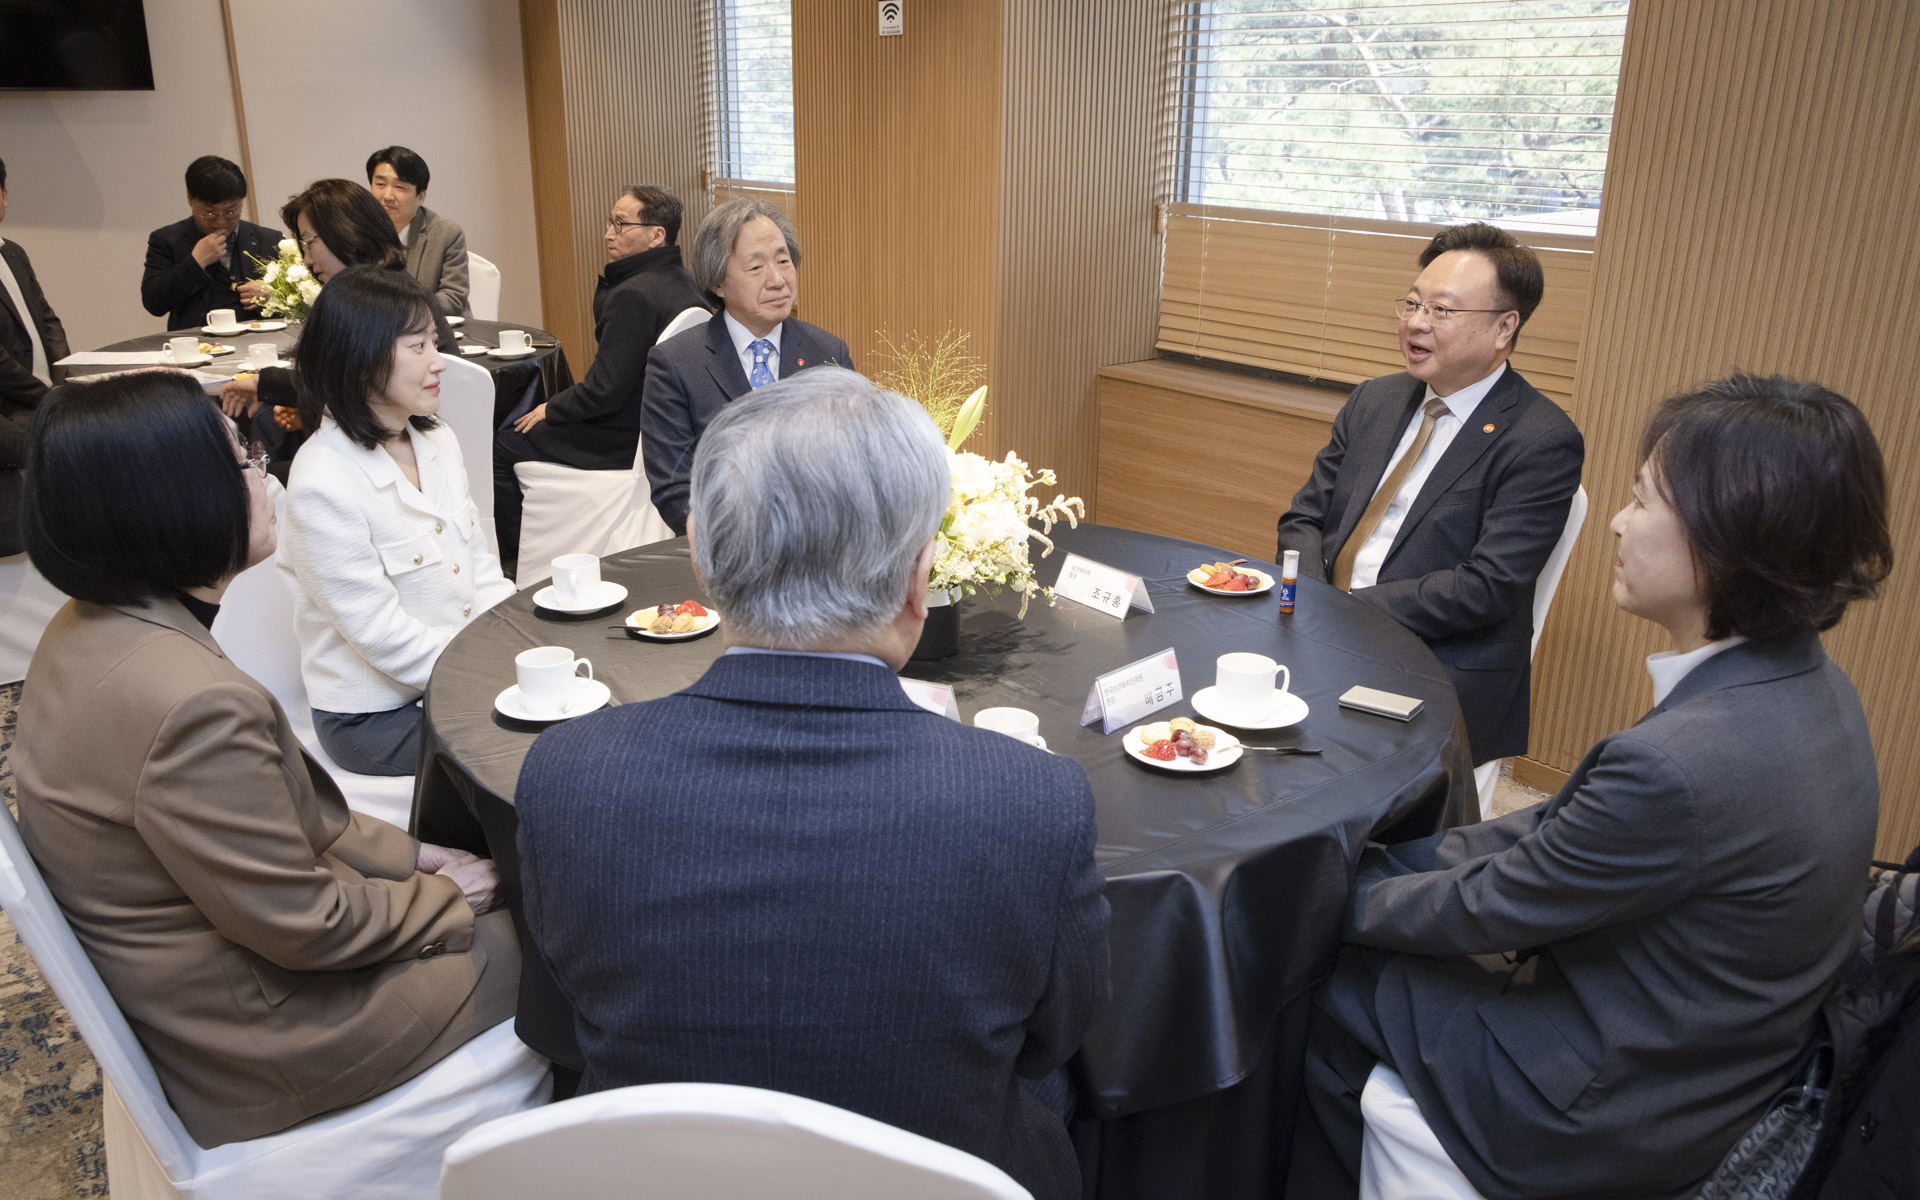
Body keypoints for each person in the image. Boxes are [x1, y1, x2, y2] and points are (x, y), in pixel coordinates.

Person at [1285, 374, 1891, 1199]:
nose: (1615, 520)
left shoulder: (1685, 764)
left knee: (1321, 989)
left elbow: (1492, 906)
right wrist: (1383, 865)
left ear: (1725, 541)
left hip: (1604, 1107)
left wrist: (1315, 905)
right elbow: (1545, 836)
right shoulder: (1812, 691)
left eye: (1643, 501)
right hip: (1714, 1061)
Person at [516, 368, 1109, 1200]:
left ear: (701, 555)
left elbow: (559, 1032)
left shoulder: (569, 776)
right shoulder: (1033, 802)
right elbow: (1053, 1043)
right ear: (918, 578)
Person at [12, 370, 519, 1148]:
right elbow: (309, 927)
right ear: (176, 496)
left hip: (215, 974)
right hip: (276, 1035)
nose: (265, 473)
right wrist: (455, 898)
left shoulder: (90, 627)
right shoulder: (185, 703)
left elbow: (287, 820)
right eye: (246, 457)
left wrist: (416, 854)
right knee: (569, 934)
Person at [1276, 222, 1584, 773]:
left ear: (1503, 327)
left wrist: (1346, 614)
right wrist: (1312, 605)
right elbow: (1304, 517)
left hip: (1433, 661)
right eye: (1412, 304)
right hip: (1322, 631)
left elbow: (1486, 587)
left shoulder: (1541, 439)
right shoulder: (1376, 399)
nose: (1415, 323)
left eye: (1442, 311)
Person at [277, 266, 513, 776]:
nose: (439, 362)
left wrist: (514, 644)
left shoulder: (436, 441)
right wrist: (488, 672)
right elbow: (378, 632)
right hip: (374, 717)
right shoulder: (323, 480)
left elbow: (479, 563)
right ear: (359, 357)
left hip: (460, 677)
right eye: (418, 347)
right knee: (526, 739)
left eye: (435, 342)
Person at [491, 184, 706, 571]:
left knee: (506, 444)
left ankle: (507, 565)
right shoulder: (685, 281)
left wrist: (551, 408)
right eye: (611, 222)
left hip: (621, 436)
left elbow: (604, 391)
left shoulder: (633, 296)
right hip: (663, 429)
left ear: (657, 234)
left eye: (621, 224)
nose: (609, 233)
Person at [640, 196, 853, 536]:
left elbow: (855, 465)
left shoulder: (828, 353)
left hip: (819, 550)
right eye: (755, 268)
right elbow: (675, 491)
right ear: (717, 283)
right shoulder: (675, 363)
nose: (777, 280)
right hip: (725, 554)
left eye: (784, 261)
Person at [218, 179, 457, 469]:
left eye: (308, 243)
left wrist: (282, 392)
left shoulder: (379, 302)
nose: (306, 259)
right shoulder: (382, 288)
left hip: (394, 451)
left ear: (344, 232)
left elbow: (357, 383)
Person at [0, 156, 69, 553]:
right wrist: (45, 395)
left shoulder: (14, 252)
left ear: (5, 194)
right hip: (12, 406)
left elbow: (47, 318)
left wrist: (61, 375)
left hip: (45, 392)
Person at [141, 155, 280, 330]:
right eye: (209, 213)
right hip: (196, 345)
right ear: (190, 198)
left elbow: (302, 296)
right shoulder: (166, 240)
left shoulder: (270, 239)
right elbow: (154, 304)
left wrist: (273, 293)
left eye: (230, 212)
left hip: (259, 342)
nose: (220, 222)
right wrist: (195, 262)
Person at [367, 145, 470, 319]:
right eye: (380, 184)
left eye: (399, 187)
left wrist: (397, 310)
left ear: (420, 196)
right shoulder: (361, 230)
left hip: (439, 334)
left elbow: (453, 299)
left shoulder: (446, 233)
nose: (388, 195)